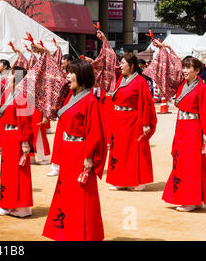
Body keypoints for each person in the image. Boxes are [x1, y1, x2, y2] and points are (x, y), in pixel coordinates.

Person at [42, 59, 107, 241]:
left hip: (80, 152)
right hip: (69, 151)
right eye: (68, 72)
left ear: (82, 76)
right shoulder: (70, 96)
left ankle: (84, 234)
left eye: (72, 72)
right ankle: (67, 232)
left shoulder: (90, 101)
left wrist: (89, 157)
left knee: (82, 194)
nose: (68, 76)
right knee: (67, 192)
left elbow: (94, 132)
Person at [150, 41, 206, 212]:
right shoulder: (181, 85)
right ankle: (195, 199)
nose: (184, 70)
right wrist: (164, 48)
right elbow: (172, 64)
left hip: (194, 128)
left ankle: (191, 200)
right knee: (180, 162)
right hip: (181, 127)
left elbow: (204, 112)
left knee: (191, 164)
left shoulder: (202, 88)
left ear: (197, 71)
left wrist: (205, 135)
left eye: (188, 68)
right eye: (184, 67)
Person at [106, 52, 157, 191]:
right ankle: (119, 180)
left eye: (123, 63)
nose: (120, 66)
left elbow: (146, 103)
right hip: (118, 119)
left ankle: (138, 181)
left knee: (133, 151)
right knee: (119, 150)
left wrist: (146, 123)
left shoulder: (140, 81)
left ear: (132, 65)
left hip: (132, 120)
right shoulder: (120, 79)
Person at [0, 66, 34, 218]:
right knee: (7, 171)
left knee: (17, 171)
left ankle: (20, 206)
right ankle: (8, 203)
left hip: (17, 138)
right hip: (8, 136)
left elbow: (25, 121)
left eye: (12, 75)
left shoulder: (22, 96)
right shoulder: (9, 94)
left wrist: (25, 141)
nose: (9, 77)